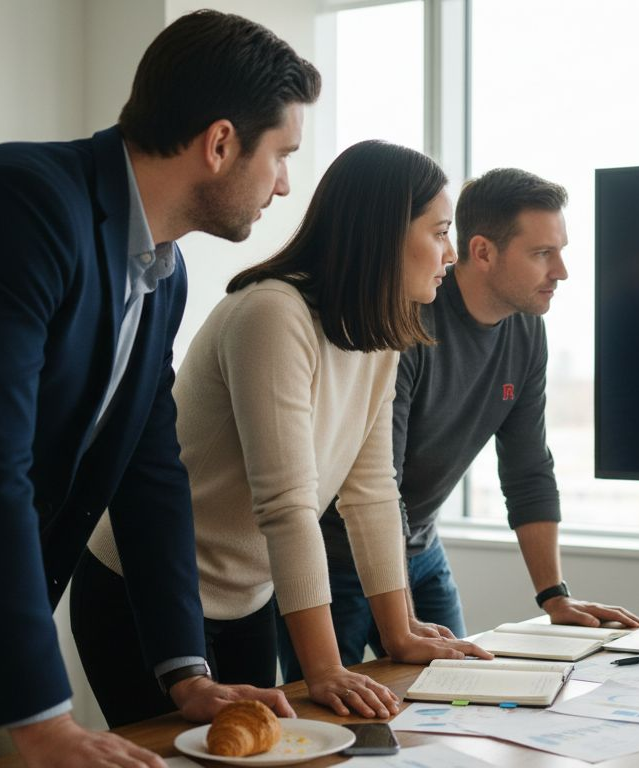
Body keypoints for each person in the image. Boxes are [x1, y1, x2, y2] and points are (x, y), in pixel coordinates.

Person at [0, 11, 317, 767]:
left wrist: (186, 671)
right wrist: (42, 719)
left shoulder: (163, 272)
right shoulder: (16, 206)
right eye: (281, 155)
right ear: (220, 144)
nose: (285, 184)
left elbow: (151, 468)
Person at [74, 139, 490, 728]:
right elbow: (287, 504)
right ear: (383, 233)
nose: (450, 253)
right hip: (145, 593)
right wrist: (325, 667)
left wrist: (399, 632)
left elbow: (371, 491)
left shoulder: (382, 334)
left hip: (249, 599)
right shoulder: (274, 313)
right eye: (440, 231)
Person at [285, 168, 639, 676]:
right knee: (335, 718)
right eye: (543, 253)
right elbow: (374, 485)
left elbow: (527, 469)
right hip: (337, 559)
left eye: (560, 251)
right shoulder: (407, 322)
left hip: (422, 549)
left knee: (457, 693)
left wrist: (554, 597)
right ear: (482, 252)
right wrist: (400, 623)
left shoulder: (527, 332)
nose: (561, 271)